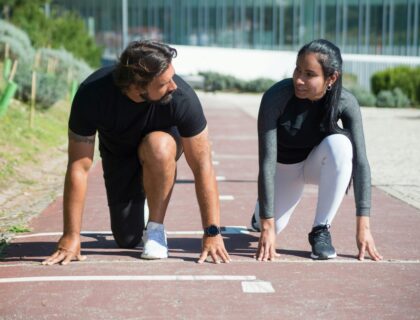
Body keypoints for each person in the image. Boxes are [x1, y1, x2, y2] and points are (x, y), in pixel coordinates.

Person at [42, 40, 230, 265]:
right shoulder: (92, 95)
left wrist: (212, 232)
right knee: (127, 239)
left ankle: (155, 229)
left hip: (162, 148)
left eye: (172, 76)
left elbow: (202, 165)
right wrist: (71, 235)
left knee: (157, 146)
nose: (173, 86)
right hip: (118, 155)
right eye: (164, 82)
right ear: (137, 86)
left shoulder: (182, 98)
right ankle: (145, 197)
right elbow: (78, 166)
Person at [252, 39, 383, 262]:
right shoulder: (276, 97)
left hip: (315, 163)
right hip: (285, 168)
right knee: (275, 225)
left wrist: (364, 226)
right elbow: (266, 162)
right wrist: (267, 224)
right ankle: (258, 214)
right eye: (297, 70)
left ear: (331, 78)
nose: (299, 80)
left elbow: (361, 163)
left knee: (341, 145)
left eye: (310, 74)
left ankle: (321, 230)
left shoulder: (345, 102)